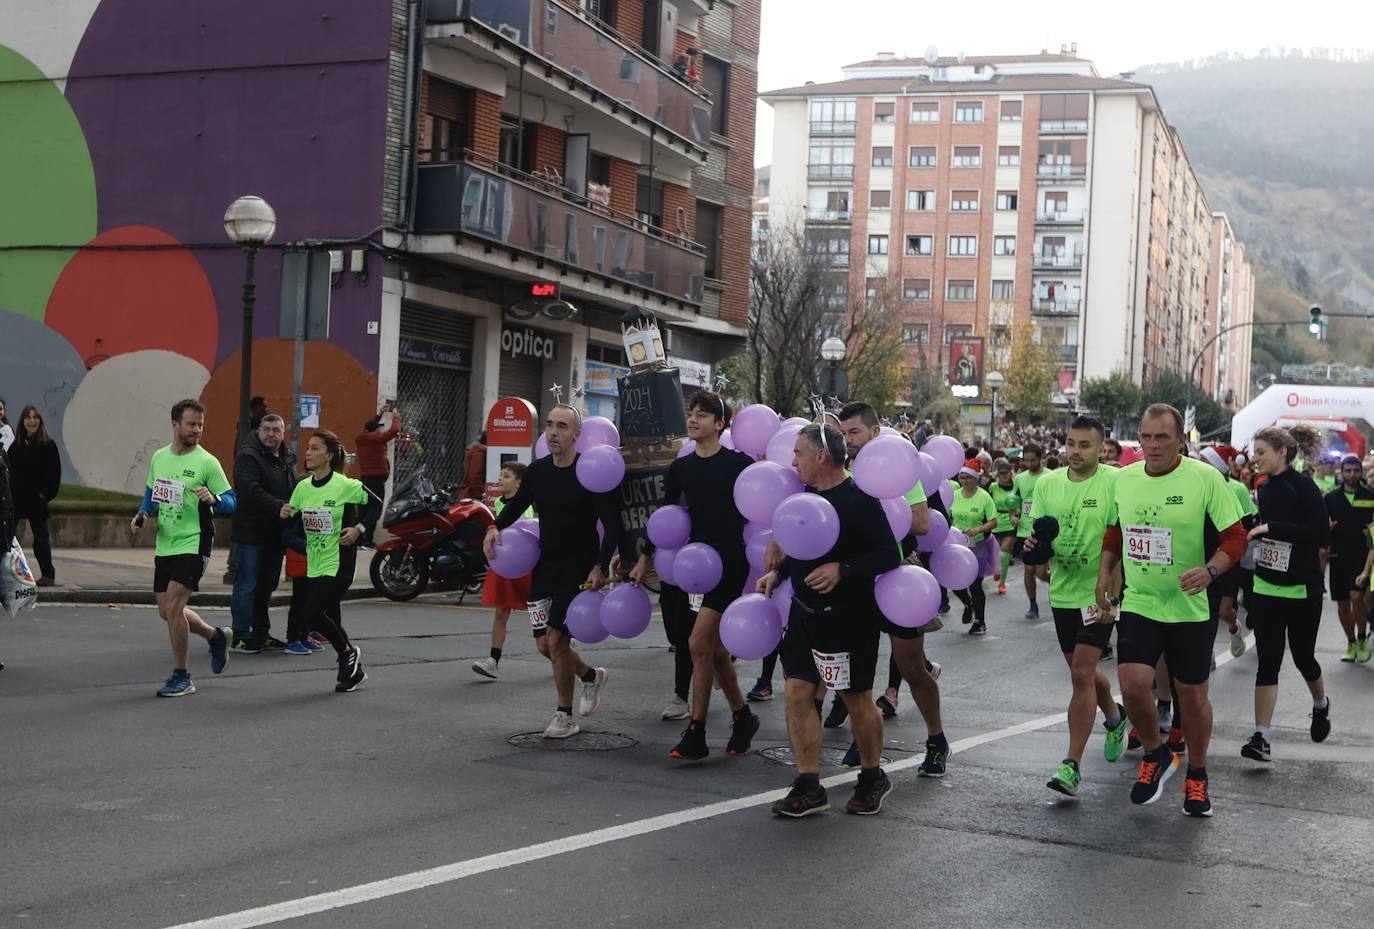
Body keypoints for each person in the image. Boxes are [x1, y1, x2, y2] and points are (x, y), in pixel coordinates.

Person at [1095, 404, 1246, 816]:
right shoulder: (1124, 479)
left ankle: (1197, 775)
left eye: (1162, 437)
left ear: (1181, 440)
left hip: (1190, 604)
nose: (1152, 445)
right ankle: (1155, 754)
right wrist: (1105, 572)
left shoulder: (1204, 479)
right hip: (1142, 598)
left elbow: (1235, 538)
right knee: (1132, 682)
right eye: (1146, 436)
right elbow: (1115, 528)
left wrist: (1211, 570)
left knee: (1193, 697)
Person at [759, 424, 900, 817]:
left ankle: (873, 777)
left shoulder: (859, 499)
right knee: (797, 694)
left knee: (856, 701)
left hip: (849, 618)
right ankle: (808, 785)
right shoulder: (804, 497)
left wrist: (844, 568)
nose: (792, 462)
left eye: (799, 453)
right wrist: (781, 572)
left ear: (821, 456)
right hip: (805, 614)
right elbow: (804, 547)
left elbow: (889, 554)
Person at [631, 391, 759, 760]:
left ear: (720, 424)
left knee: (698, 642)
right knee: (715, 652)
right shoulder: (681, 467)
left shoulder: (739, 464)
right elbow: (666, 517)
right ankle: (742, 717)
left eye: (702, 415)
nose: (693, 420)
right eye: (691, 413)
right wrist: (644, 557)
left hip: (730, 561)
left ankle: (697, 731)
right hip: (696, 567)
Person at [484, 404, 617, 739]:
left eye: (562, 426)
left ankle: (565, 716)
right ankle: (589, 676)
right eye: (550, 425)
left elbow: (612, 525)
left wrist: (600, 564)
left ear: (576, 434)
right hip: (546, 564)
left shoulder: (589, 471)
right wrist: (493, 527)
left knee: (557, 640)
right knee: (545, 646)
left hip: (578, 566)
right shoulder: (539, 471)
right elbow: (516, 505)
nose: (553, 432)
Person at [836, 402, 949, 776]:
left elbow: (919, 523)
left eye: (855, 432)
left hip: (896, 577)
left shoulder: (898, 464)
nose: (849, 440)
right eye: (844, 433)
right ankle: (863, 736)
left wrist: (880, 504)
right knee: (854, 665)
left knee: (911, 666)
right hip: (857, 577)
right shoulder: (843, 469)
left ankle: (936, 739)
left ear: (874, 430)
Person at [1026, 416, 1130, 797]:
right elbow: (1038, 538)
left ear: (1101, 448)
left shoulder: (1117, 482)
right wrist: (1034, 551)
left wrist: (1113, 598)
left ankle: (1071, 766)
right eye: (1070, 443)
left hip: (1099, 596)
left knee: (1082, 674)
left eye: (1084, 445)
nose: (1075, 451)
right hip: (1063, 593)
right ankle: (1116, 718)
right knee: (1080, 672)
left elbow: (1120, 543)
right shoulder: (1047, 484)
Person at [130, 399, 238, 698]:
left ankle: (182, 675)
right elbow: (152, 496)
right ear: (175, 423)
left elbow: (232, 501)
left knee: (176, 606)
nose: (197, 430)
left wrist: (214, 499)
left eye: (201, 425)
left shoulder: (207, 462)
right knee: (166, 611)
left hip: (195, 540)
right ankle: (214, 636)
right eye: (192, 424)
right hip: (167, 542)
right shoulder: (159, 457)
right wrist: (141, 515)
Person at [1240, 426, 1332, 763]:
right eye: (1255, 451)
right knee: (1268, 661)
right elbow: (1263, 529)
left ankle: (1320, 705)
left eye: (1262, 451)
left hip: (1302, 587)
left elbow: (1320, 533)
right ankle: (1261, 737)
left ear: (1282, 452)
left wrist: (1272, 529)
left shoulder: (1303, 486)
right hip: (1266, 586)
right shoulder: (1262, 488)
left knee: (1304, 656)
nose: (1256, 457)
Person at [280, 429, 379, 692]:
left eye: (314, 448)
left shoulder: (345, 485)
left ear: (329, 455)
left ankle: (347, 652)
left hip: (340, 561)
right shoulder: (302, 487)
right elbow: (291, 519)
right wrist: (284, 511)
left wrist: (359, 529)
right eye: (308, 448)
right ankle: (351, 669)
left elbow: (375, 504)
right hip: (315, 560)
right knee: (322, 615)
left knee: (311, 614)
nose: (308, 453)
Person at [228, 414, 297, 652]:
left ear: (283, 432)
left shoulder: (286, 457)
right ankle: (240, 635)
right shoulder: (248, 456)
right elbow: (250, 491)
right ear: (258, 431)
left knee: (267, 584)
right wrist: (279, 506)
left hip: (275, 533)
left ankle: (261, 632)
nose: (270, 434)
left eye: (275, 430)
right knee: (246, 583)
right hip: (250, 533)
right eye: (266, 429)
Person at [472, 462, 541, 679]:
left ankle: (562, 649)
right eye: (500, 474)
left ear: (519, 484)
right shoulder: (499, 502)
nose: (500, 479)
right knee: (501, 612)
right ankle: (493, 660)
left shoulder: (525, 508)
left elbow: (524, 535)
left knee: (538, 615)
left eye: (506, 476)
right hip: (504, 565)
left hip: (523, 565)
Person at [1199, 445, 1259, 659]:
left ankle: (1234, 631)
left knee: (1224, 611)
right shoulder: (1195, 487)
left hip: (1229, 560)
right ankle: (1208, 655)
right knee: (1205, 610)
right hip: (1203, 559)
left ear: (1216, 466)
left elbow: (1248, 521)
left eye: (1205, 462)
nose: (1199, 465)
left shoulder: (1237, 488)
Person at [1324, 454, 1373, 663]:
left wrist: (1370, 532)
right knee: (1342, 603)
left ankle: (1362, 638)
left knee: (1356, 598)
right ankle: (1351, 642)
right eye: (1348, 471)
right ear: (1341, 473)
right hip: (1338, 556)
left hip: (1362, 557)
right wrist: (1326, 528)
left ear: (1362, 472)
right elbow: (1320, 526)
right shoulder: (1330, 498)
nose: (1352, 475)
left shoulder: (1371, 496)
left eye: (1356, 471)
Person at [6, 405, 62, 586]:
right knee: (6, 538)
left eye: (35, 418)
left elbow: (55, 474)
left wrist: (45, 495)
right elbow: (8, 472)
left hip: (37, 501)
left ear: (40, 421)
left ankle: (47, 574)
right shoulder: (16, 447)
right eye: (28, 418)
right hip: (17, 500)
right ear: (23, 422)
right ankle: (6, 574)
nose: (32, 421)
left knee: (41, 540)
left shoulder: (48, 446)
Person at [949, 460, 997, 636]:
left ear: (976, 478)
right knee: (953, 582)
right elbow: (947, 517)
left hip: (979, 545)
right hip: (957, 545)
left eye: (968, 477)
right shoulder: (953, 495)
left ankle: (980, 622)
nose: (964, 481)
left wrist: (978, 529)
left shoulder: (984, 497)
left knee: (975, 584)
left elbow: (994, 521)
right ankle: (968, 604)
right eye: (961, 477)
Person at [354, 401, 402, 542]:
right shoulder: (376, 438)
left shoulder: (361, 438)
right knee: (375, 510)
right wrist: (396, 417)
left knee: (365, 508)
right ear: (375, 430)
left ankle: (361, 539)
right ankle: (366, 537)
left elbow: (369, 427)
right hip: (377, 479)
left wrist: (379, 415)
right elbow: (394, 431)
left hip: (365, 478)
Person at [1015, 443, 1046, 619]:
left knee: (1042, 573)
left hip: (1045, 531)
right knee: (1028, 569)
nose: (1029, 463)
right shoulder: (1019, 479)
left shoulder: (1051, 476)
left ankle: (1057, 587)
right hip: (1025, 530)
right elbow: (1015, 501)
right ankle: (1033, 604)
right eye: (1026, 460)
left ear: (1040, 458)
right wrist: (1013, 515)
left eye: (1032, 460)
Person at [988, 459, 1020, 596]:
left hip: (1010, 522)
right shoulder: (993, 487)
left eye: (1005, 474)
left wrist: (1017, 515)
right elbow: (987, 502)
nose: (1003, 476)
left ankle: (1002, 583)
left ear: (1010, 473)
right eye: (1000, 474)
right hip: (995, 522)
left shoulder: (1016, 487)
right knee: (995, 553)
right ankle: (997, 570)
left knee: (1004, 553)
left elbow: (1022, 501)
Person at [462, 431, 489, 501]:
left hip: (472, 494)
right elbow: (475, 475)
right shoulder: (479, 453)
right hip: (472, 495)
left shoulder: (479, 451)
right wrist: (482, 493)